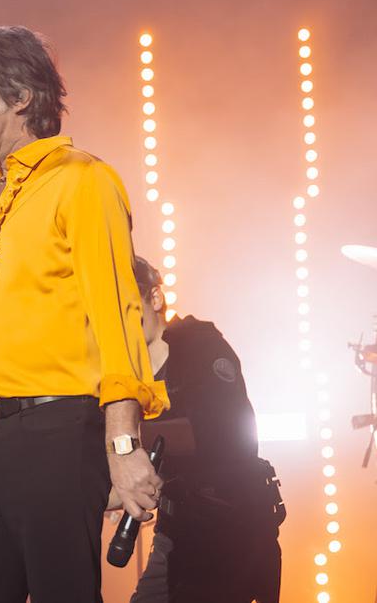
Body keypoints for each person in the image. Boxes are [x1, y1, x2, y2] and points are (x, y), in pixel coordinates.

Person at [0, 26, 169, 602]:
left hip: (56, 434)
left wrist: (123, 448)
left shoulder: (81, 180)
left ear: (19, 96)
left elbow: (118, 320)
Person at [128, 256, 284, 603]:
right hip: (177, 532)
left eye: (128, 307)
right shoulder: (129, 373)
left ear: (155, 298)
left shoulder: (201, 345)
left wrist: (127, 446)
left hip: (230, 528)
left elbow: (221, 432)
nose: (121, 322)